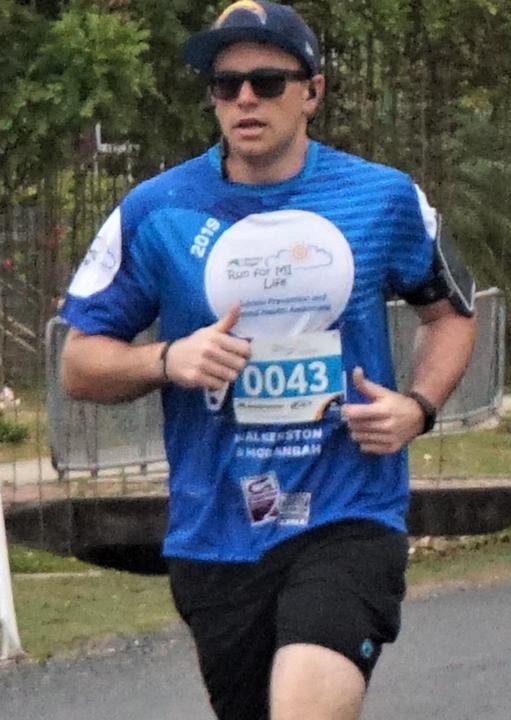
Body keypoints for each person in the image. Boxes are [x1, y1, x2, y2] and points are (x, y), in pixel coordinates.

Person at [57, 2, 477, 719]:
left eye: (267, 81)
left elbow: (450, 316)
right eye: (226, 85)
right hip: (216, 534)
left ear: (311, 91)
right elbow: (78, 363)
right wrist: (168, 358)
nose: (245, 98)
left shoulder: (381, 196)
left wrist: (419, 407)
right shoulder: (155, 210)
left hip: (349, 514)